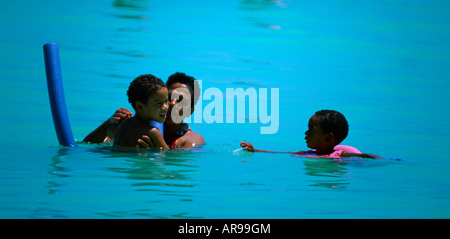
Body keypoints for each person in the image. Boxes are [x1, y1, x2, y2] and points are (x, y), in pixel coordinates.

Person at [83, 72, 205, 149]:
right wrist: (109, 123)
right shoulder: (136, 127)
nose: (171, 104)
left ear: (190, 111)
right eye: (168, 98)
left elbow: (173, 165)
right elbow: (88, 145)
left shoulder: (192, 140)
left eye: (180, 100)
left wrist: (156, 149)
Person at [240, 109, 381, 158]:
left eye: (311, 130)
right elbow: (282, 153)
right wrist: (256, 150)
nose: (306, 133)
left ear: (328, 137)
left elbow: (363, 156)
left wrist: (385, 160)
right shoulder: (308, 153)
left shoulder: (339, 155)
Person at [112, 74, 169, 149]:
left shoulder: (126, 124)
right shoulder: (153, 132)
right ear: (140, 107)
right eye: (159, 103)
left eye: (166, 101)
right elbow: (167, 157)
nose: (165, 107)